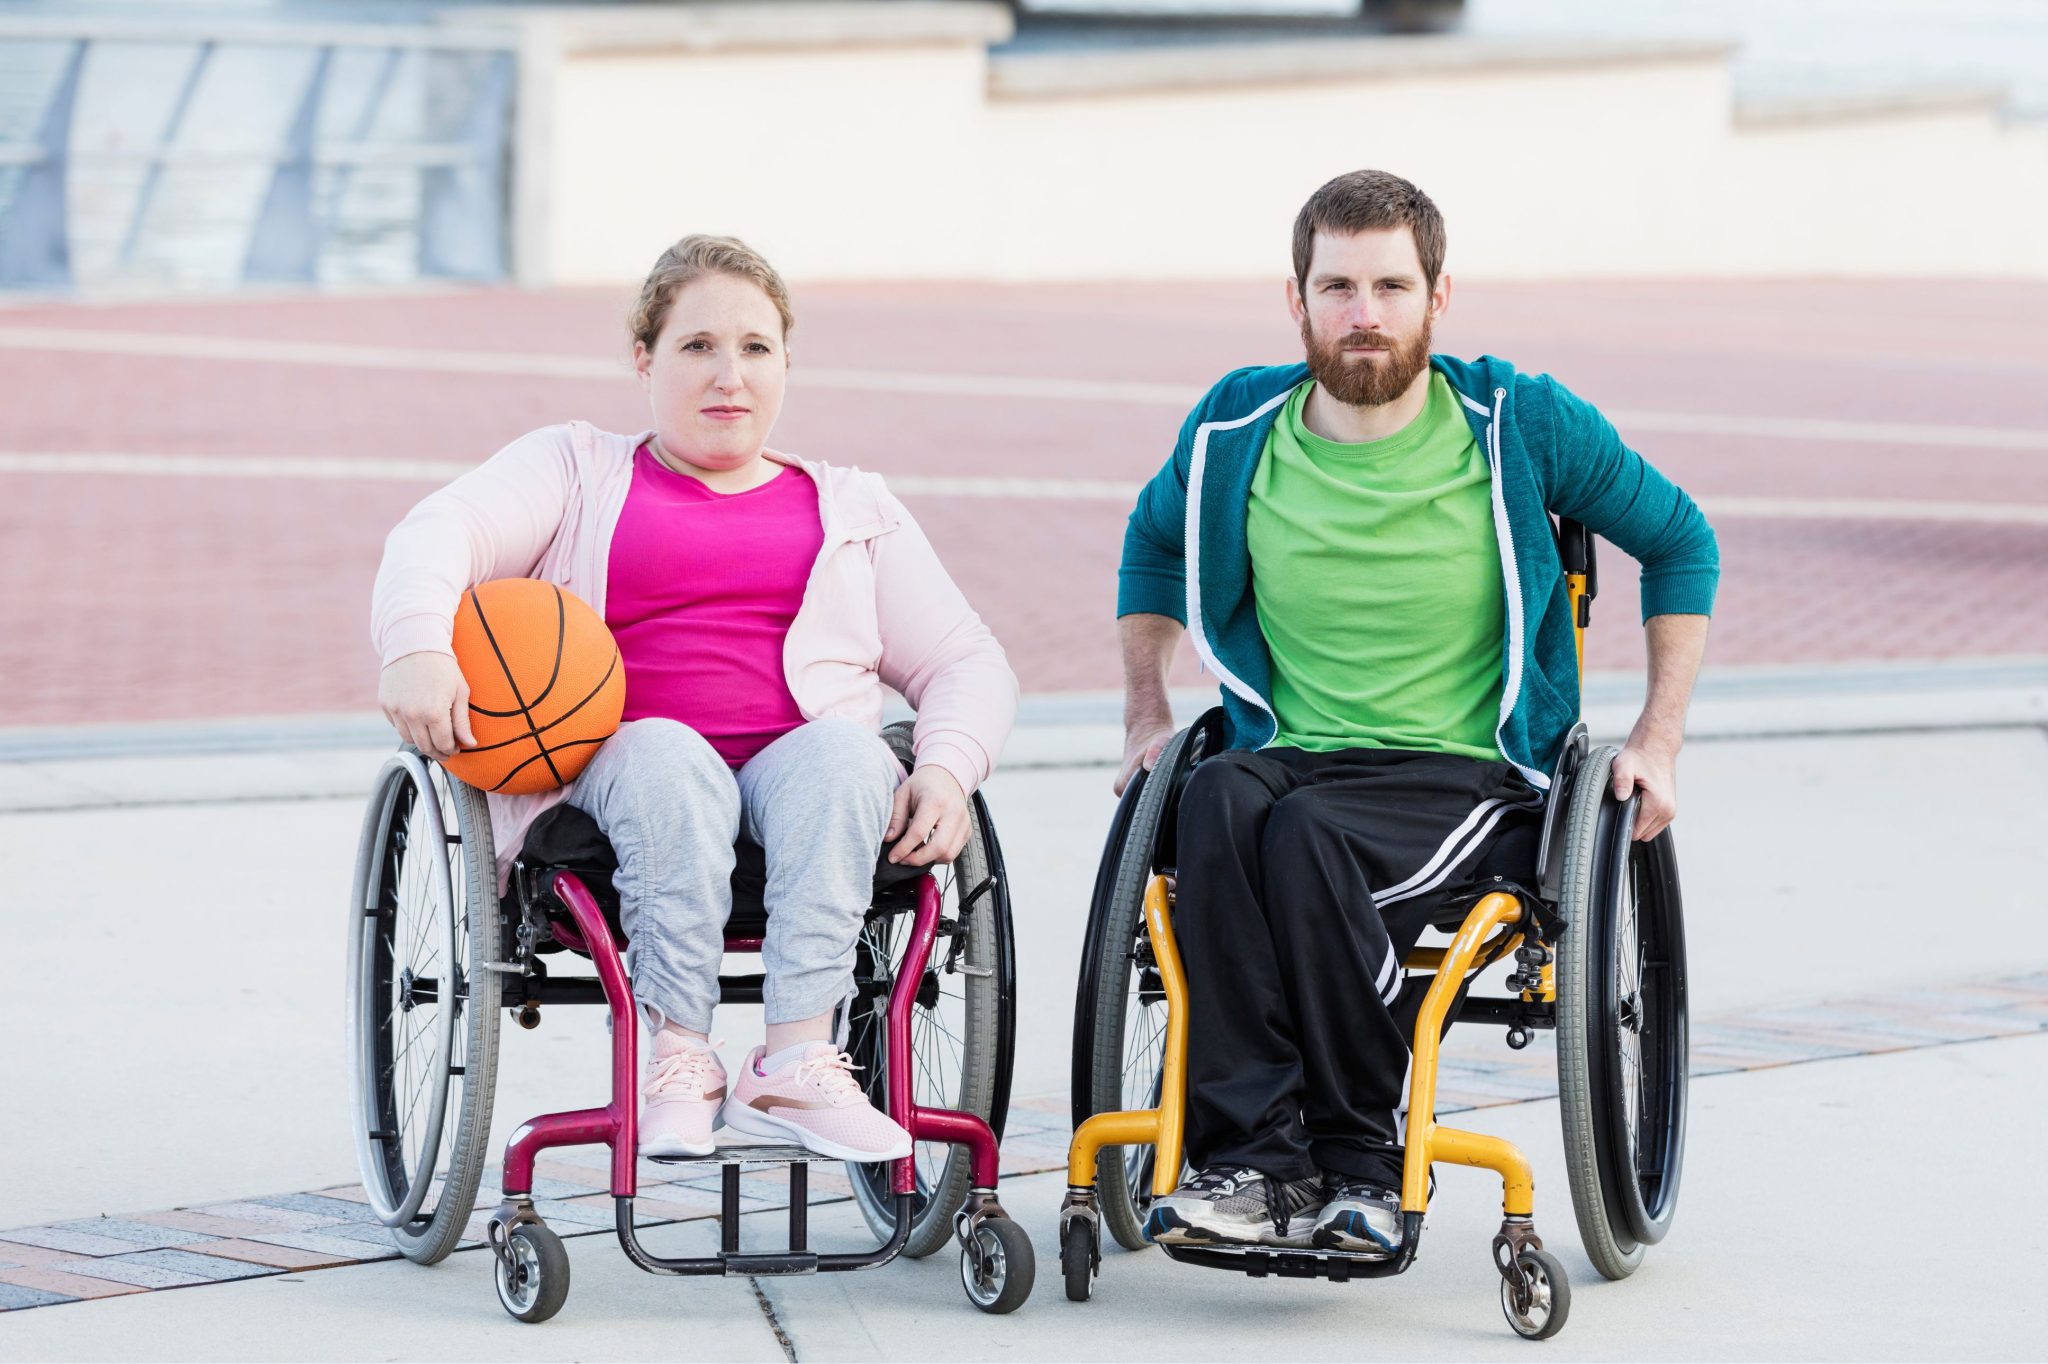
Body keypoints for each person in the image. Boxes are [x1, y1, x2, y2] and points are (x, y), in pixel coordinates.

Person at [1115, 170, 1719, 1254]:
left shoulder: (1514, 418)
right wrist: (1143, 711)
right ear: (1292, 299)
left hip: (1465, 771)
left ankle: (1359, 1163)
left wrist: (1655, 738)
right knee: (1211, 802)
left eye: (1390, 285)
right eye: (1336, 285)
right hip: (1290, 751)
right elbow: (1154, 543)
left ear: (1437, 298)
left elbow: (1679, 540)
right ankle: (1250, 1158)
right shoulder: (1233, 426)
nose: (1363, 313)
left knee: (1304, 841)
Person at [372, 234, 1017, 1163]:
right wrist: (417, 646)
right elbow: (442, 530)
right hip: (625, 774)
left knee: (849, 754)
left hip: (805, 784)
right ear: (644, 359)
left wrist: (951, 771)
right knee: (670, 755)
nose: (730, 376)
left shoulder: (852, 506)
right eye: (698, 346)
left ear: (787, 362)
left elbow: (968, 659)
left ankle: (795, 1062)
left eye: (756, 348)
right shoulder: (575, 469)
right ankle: (677, 1055)